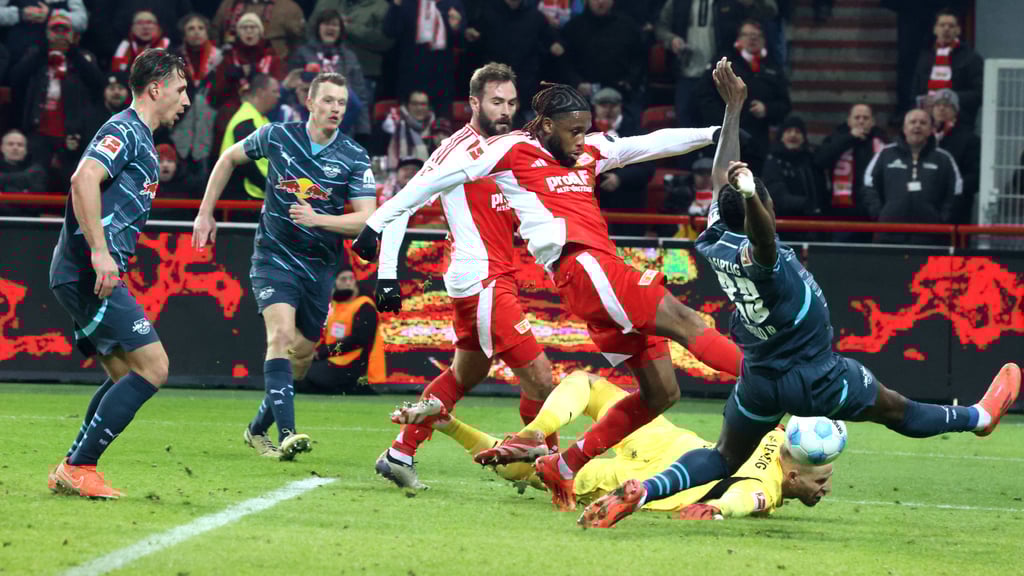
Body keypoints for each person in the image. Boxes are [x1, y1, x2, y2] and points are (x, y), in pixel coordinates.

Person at [578, 59, 1021, 528]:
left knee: (725, 456)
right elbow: (764, 238)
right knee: (895, 408)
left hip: (761, 376)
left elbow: (722, 172)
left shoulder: (713, 237)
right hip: (812, 374)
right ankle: (978, 418)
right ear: (760, 208)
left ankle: (643, 491)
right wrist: (752, 195)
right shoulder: (759, 256)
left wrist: (734, 111)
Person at [353, 73, 744, 510]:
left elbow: (650, 142)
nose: (582, 139)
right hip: (563, 268)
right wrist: (377, 231)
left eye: (510, 101)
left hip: (562, 273)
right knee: (677, 325)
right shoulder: (506, 149)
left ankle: (553, 463)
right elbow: (426, 184)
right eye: (495, 101)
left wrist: (719, 129)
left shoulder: (590, 150)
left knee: (662, 393)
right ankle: (771, 383)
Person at [367, 63, 561, 490]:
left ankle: (399, 453)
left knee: (464, 376)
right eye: (496, 102)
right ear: (474, 103)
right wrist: (386, 273)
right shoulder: (454, 149)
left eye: (511, 102)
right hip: (482, 279)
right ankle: (551, 468)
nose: (505, 110)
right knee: (542, 379)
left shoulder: (514, 144)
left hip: (491, 277)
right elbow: (402, 201)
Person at [192, 72, 377, 461]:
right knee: (279, 337)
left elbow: (366, 219)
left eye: (341, 103)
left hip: (320, 265)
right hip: (273, 256)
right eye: (327, 101)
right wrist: (205, 213)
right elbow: (228, 158)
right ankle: (288, 433)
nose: (335, 109)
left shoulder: (354, 156)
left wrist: (319, 220)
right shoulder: (277, 135)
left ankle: (257, 429)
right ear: (309, 103)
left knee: (304, 354)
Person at [46, 48, 190, 499]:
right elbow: (83, 179)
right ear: (156, 88)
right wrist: (99, 253)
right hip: (86, 270)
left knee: (123, 373)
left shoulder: (142, 139)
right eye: (181, 89)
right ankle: (80, 465)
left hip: (84, 271)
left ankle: (69, 466)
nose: (185, 101)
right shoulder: (123, 129)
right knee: (155, 367)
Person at [434, 371, 833, 518]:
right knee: (546, 473)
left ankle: (530, 428)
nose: (826, 488)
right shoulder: (767, 487)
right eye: (820, 481)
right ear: (793, 474)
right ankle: (451, 427)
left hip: (664, 436)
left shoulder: (778, 436)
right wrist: (715, 508)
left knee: (587, 384)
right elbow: (744, 499)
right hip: (655, 477)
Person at [860, 108, 962, 245]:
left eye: (923, 123)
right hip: (888, 235)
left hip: (931, 237)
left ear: (931, 129)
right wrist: (880, 214)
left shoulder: (943, 158)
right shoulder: (885, 154)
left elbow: (955, 191)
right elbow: (869, 185)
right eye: (912, 122)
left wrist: (941, 220)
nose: (917, 126)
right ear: (904, 128)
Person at [299, 268, 385, 395]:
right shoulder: (334, 305)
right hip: (332, 357)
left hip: (352, 361)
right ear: (335, 283)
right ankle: (349, 388)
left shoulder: (364, 305)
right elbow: (327, 335)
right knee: (299, 374)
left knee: (304, 378)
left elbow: (358, 340)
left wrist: (322, 353)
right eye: (344, 279)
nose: (348, 282)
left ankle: (356, 386)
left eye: (351, 279)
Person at [812, 102, 887, 243]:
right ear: (848, 121)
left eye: (865, 118)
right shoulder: (836, 137)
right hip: (840, 213)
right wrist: (849, 138)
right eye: (857, 117)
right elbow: (820, 160)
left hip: (870, 213)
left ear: (873, 122)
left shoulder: (882, 143)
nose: (861, 121)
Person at [909, 8, 983, 128]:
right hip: (926, 122)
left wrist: (949, 98)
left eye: (951, 26)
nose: (946, 29)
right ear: (935, 29)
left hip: (960, 123)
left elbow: (979, 94)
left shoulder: (971, 58)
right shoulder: (925, 57)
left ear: (958, 30)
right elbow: (914, 91)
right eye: (942, 25)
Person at [760, 115, 827, 241]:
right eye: (789, 131)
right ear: (781, 136)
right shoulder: (773, 161)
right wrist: (806, 204)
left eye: (797, 132)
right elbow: (777, 195)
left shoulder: (811, 160)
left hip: (812, 227)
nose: (793, 135)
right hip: (784, 227)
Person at [218, 73, 280, 201]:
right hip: (245, 196)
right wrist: (272, 189)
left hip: (258, 194)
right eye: (275, 91)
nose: (278, 96)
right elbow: (247, 166)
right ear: (260, 92)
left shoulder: (261, 120)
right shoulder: (246, 121)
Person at [928, 88, 980, 225]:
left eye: (947, 105)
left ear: (956, 111)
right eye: (937, 105)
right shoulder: (924, 137)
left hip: (957, 208)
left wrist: (951, 188)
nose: (941, 109)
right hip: (927, 206)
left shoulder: (969, 139)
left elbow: (975, 177)